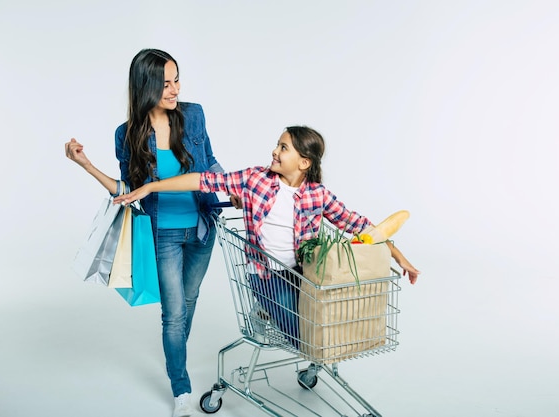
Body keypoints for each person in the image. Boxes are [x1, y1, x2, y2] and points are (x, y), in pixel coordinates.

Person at [113, 125, 421, 346]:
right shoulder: (255, 179)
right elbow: (202, 179)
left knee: (325, 327)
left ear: (304, 162)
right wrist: (150, 187)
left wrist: (401, 258)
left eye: (284, 148)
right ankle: (264, 314)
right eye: (277, 144)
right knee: (303, 337)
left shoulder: (318, 195)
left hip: (303, 274)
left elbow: (359, 225)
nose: (274, 151)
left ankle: (271, 318)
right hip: (266, 274)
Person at [65, 48, 240, 417]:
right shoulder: (127, 134)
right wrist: (86, 165)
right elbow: (126, 190)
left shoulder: (193, 116)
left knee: (188, 303)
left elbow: (209, 163)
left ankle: (175, 354)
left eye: (177, 80)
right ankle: (181, 389)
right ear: (145, 87)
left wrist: (234, 190)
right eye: (165, 84)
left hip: (203, 227)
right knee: (173, 315)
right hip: (164, 236)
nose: (174, 90)